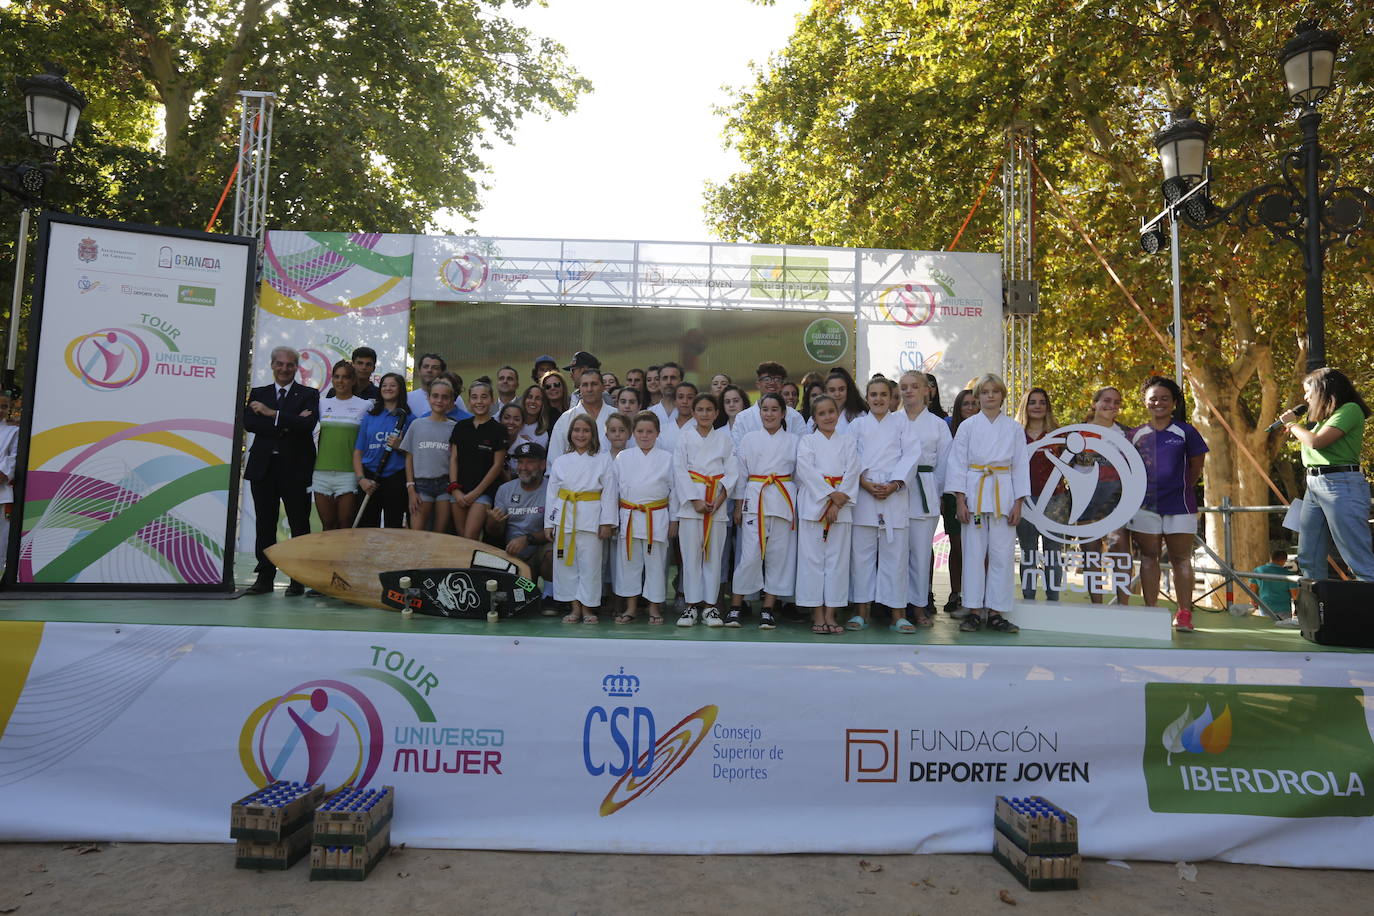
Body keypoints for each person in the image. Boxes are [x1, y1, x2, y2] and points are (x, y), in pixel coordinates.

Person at [948, 373, 1029, 634]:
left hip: (1003, 492)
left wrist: (1018, 503)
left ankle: (996, 611)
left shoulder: (1014, 428)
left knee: (1002, 555)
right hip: (974, 492)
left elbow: (1020, 467)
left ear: (1003, 396)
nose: (990, 396)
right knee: (973, 552)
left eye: (995, 392)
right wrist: (960, 500)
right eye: (985, 392)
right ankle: (972, 609)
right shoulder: (968, 427)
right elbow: (957, 464)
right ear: (978, 396)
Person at [1281, 367, 1374, 588]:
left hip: (1340, 485)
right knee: (1309, 556)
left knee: (1357, 556)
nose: (1305, 398)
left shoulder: (1350, 410)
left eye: (1308, 392)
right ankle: (1315, 618)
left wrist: (1293, 424)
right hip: (1314, 486)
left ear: (1323, 389)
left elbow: (1316, 442)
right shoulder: (1327, 418)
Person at [1127, 376, 1207, 631]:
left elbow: (1196, 468)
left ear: (1173, 403)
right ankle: (1151, 611)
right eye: (1153, 398)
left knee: (1180, 559)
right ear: (1145, 402)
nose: (1158, 403)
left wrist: (1179, 488)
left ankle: (1184, 613)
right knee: (1149, 558)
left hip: (1180, 505)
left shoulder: (1186, 432)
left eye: (1164, 398)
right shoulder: (1135, 434)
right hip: (1144, 507)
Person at [244, 347, 319, 595]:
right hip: (264, 469)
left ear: (296, 367)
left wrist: (271, 414)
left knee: (299, 523)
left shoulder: (309, 394)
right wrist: (287, 423)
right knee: (264, 523)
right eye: (280, 364)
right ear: (272, 365)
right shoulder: (259, 392)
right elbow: (250, 422)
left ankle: (298, 578)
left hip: (296, 469)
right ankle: (265, 576)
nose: (284, 369)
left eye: (289, 365)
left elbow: (307, 424)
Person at [728, 393, 800, 630]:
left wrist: (796, 508)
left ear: (783, 413)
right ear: (759, 412)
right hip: (755, 499)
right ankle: (736, 606)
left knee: (778, 556)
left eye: (774, 409)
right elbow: (740, 474)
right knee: (749, 555)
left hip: (783, 500)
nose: (769, 414)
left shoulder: (794, 440)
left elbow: (800, 477)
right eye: (765, 409)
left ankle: (768, 608)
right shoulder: (749, 439)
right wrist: (738, 505)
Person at [846, 376, 910, 630]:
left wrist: (895, 483)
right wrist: (862, 481)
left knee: (895, 557)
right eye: (873, 394)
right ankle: (861, 611)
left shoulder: (903, 424)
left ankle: (898, 614)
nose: (879, 399)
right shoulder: (857, 426)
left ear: (892, 398)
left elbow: (911, 456)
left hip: (894, 494)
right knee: (861, 556)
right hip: (865, 494)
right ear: (867, 398)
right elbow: (849, 456)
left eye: (884, 394)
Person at [795, 395, 860, 634]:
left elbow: (853, 470)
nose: (828, 417)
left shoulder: (848, 441)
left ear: (838, 413)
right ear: (814, 418)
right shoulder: (807, 442)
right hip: (814, 506)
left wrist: (838, 501)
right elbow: (806, 471)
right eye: (822, 414)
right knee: (812, 562)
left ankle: (832, 612)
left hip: (840, 507)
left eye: (831, 412)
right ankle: (817, 613)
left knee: (837, 562)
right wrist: (831, 496)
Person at [544, 413, 617, 623]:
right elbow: (552, 494)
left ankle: (588, 609)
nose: (581, 434)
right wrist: (549, 523)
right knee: (566, 567)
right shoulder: (560, 461)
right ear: (570, 434)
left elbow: (609, 493)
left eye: (586, 430)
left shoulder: (603, 460)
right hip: (564, 516)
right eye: (577, 430)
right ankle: (574, 608)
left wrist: (607, 522)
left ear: (593, 434)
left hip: (591, 518)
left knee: (590, 566)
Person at [674, 392, 736, 626]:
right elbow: (679, 471)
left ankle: (710, 607)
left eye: (709, 409)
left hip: (716, 504)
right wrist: (694, 500)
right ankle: (691, 606)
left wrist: (720, 500)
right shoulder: (684, 437)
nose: (705, 414)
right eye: (700, 409)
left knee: (713, 556)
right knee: (691, 556)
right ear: (693, 412)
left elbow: (732, 472)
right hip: (692, 506)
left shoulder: (724, 439)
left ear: (716, 413)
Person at [899, 370, 953, 627]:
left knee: (921, 554)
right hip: (896, 492)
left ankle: (919, 607)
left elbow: (944, 463)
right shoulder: (892, 421)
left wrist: (939, 493)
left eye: (913, 386)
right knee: (896, 553)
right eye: (904, 387)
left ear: (926, 390)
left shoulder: (938, 425)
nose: (908, 391)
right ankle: (895, 609)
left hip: (925, 489)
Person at [612, 411, 675, 625]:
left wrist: (674, 520)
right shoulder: (623, 457)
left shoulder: (667, 458)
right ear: (633, 433)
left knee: (656, 564)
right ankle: (630, 606)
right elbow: (613, 492)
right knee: (629, 563)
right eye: (640, 431)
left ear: (658, 433)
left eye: (649, 431)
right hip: (629, 517)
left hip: (656, 517)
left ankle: (654, 607)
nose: (645, 435)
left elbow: (675, 492)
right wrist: (612, 521)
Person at [1074, 387, 1132, 604]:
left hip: (1118, 499)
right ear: (1095, 403)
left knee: (1120, 553)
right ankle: (1096, 605)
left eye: (1117, 402)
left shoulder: (1127, 433)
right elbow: (1069, 466)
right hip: (1087, 500)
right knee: (1091, 555)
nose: (1111, 405)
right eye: (1106, 400)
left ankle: (1123, 605)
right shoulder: (1077, 432)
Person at [488, 441, 553, 609]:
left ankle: (549, 598)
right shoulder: (505, 489)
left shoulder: (552, 488)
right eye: (520, 462)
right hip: (512, 555)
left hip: (539, 551)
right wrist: (494, 522)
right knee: (518, 604)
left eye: (530, 462)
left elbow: (554, 530)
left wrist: (527, 539)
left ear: (543, 464)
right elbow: (495, 533)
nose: (523, 467)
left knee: (551, 553)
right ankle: (526, 592)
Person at [313, 361, 372, 534]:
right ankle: (328, 561)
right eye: (337, 377)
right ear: (332, 380)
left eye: (346, 377)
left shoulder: (365, 405)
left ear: (353, 380)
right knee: (327, 525)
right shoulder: (322, 404)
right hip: (321, 472)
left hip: (349, 473)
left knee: (345, 526)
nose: (341, 381)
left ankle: (343, 561)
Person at [1014, 387, 1062, 602]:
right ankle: (1029, 599)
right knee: (1028, 552)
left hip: (1055, 500)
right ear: (1025, 406)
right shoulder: (1015, 434)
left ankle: (1053, 598)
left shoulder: (1058, 434)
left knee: (1053, 553)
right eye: (1032, 402)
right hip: (1025, 499)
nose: (1037, 406)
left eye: (1042, 402)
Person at [447, 379, 508, 540]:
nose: (479, 401)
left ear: (492, 400)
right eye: (474, 397)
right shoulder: (460, 427)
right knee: (461, 539)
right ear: (469, 401)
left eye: (484, 397)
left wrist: (476, 493)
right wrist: (455, 489)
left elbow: (497, 465)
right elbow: (453, 458)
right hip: (458, 491)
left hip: (483, 493)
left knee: (470, 537)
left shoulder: (498, 430)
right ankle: (461, 566)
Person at [353, 372, 413, 530]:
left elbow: (413, 454)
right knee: (366, 527)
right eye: (384, 385)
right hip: (369, 476)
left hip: (395, 477)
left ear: (400, 389)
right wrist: (361, 479)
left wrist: (400, 445)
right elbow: (358, 451)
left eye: (393, 385)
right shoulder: (370, 417)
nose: (388, 388)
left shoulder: (409, 418)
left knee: (393, 527)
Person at [402, 378, 458, 533]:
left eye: (444, 397)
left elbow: (455, 460)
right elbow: (409, 458)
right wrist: (411, 489)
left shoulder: (455, 428)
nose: (439, 400)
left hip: (445, 486)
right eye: (435, 396)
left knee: (439, 534)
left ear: (451, 400)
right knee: (417, 533)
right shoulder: (417, 425)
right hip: (421, 486)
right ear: (429, 398)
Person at [940, 388, 977, 614]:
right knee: (958, 547)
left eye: (974, 403)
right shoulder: (949, 431)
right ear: (958, 408)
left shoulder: (987, 431)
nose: (971, 408)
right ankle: (956, 592)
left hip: (981, 494)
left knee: (977, 549)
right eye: (966, 404)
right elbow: (945, 466)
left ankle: (973, 595)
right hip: (954, 495)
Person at [547, 371, 613, 465]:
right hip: (575, 477)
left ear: (602, 387)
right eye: (585, 385)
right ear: (579, 389)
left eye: (594, 384)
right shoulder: (565, 419)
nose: (589, 389)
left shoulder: (615, 415)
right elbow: (554, 459)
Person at [732, 362, 804, 446]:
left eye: (777, 379)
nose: (772, 383)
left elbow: (802, 448)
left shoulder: (794, 416)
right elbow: (736, 450)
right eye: (767, 379)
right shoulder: (743, 418)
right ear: (758, 384)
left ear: (782, 385)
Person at [1251, 548, 1297, 625]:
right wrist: (1297, 609)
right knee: (1284, 630)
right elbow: (1295, 595)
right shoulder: (1289, 575)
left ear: (1271, 558)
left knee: (1266, 627)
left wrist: (1254, 601)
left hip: (1265, 607)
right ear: (1284, 560)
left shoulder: (1258, 570)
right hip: (1284, 609)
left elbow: (1252, 588)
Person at [0, 387, 19, 572]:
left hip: (2, 492)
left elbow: (13, 459)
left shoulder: (12, 432)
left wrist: (4, 473)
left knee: (0, 537)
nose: (1, 410)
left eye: (4, 406)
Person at [655, 380, 698, 455]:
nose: (685, 401)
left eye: (690, 397)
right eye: (680, 397)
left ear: (696, 401)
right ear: (674, 401)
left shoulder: (701, 428)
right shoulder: (662, 430)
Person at [824, 368, 867, 433]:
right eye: (832, 390)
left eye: (841, 389)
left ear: (848, 390)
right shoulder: (816, 417)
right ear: (825, 392)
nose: (837, 394)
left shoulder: (860, 416)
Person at [517, 385, 551, 454]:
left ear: (543, 404)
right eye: (530, 397)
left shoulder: (543, 434)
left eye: (538, 398)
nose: (533, 401)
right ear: (524, 400)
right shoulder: (513, 423)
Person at [498, 403, 526, 480]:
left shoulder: (526, 447)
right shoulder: (493, 443)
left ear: (522, 424)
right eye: (506, 418)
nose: (511, 422)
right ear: (500, 420)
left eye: (516, 419)